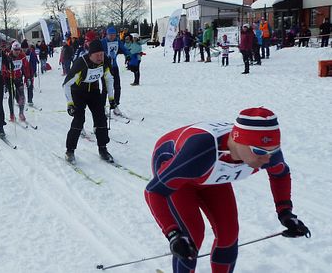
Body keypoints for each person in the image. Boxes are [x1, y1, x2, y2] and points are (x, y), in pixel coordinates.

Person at [144, 108, 310, 273]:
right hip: (180, 173)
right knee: (191, 236)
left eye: (273, 150)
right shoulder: (202, 151)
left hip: (210, 176)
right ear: (239, 142)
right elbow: (153, 191)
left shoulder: (265, 151)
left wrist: (285, 213)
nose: (267, 158)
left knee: (229, 234)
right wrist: (173, 234)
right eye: (259, 151)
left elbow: (280, 175)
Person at [63, 39, 116, 163]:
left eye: (102, 54)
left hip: (93, 90)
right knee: (79, 120)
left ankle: (103, 149)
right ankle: (70, 151)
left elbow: (109, 79)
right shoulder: (80, 63)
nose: (100, 57)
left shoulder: (105, 61)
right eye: (97, 55)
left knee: (101, 118)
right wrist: (70, 104)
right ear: (90, 54)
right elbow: (66, 85)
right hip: (78, 92)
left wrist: (111, 99)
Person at [102, 26, 129, 106]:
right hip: (105, 68)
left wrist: (128, 55)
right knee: (105, 88)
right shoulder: (102, 42)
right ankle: (102, 107)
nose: (112, 37)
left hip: (114, 67)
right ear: (106, 35)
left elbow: (124, 49)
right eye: (110, 35)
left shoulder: (117, 41)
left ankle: (116, 105)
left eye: (113, 35)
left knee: (117, 87)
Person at [7, 41, 31, 122]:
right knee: (12, 95)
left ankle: (21, 113)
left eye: (18, 49)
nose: (17, 51)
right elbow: (3, 68)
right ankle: (12, 114)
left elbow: (26, 67)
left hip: (18, 77)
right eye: (15, 50)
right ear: (12, 49)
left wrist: (27, 78)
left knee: (22, 96)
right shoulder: (8, 56)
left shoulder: (22, 56)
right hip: (9, 78)